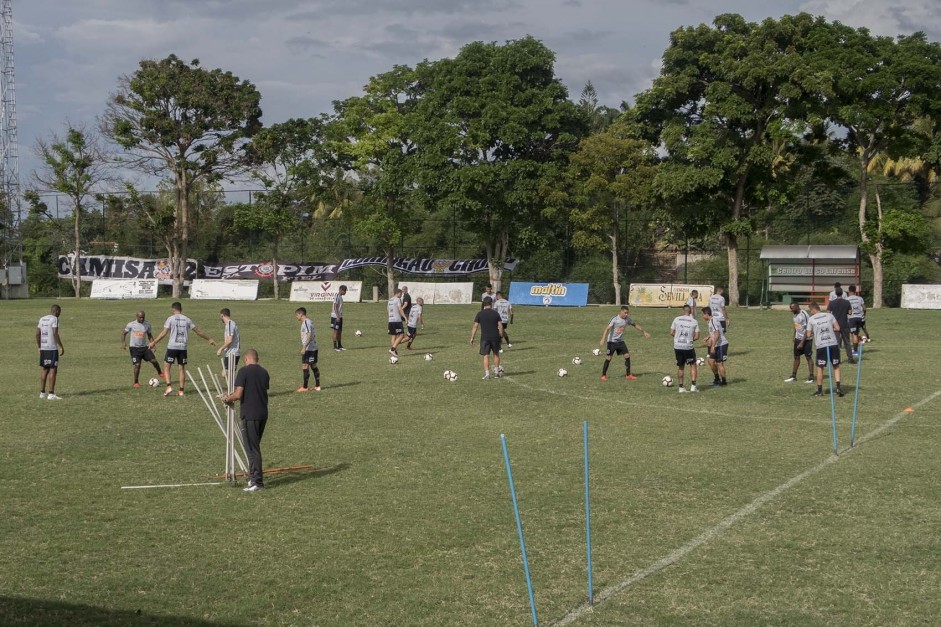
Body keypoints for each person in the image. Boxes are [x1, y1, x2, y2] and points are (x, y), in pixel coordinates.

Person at [221, 348, 269, 492]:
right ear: (257, 358)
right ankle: (254, 479)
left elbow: (238, 394)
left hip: (250, 415)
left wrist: (227, 398)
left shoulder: (243, 371)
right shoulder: (264, 372)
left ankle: (257, 482)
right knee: (254, 447)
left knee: (252, 449)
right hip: (262, 414)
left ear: (246, 359)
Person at [149, 302, 216, 397]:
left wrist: (154, 342)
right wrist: (209, 339)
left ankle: (168, 386)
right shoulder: (187, 319)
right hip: (182, 348)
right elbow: (198, 331)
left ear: (173, 309)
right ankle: (181, 390)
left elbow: (164, 333)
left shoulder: (170, 319)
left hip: (172, 347)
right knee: (181, 369)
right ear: (181, 309)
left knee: (167, 367)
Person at [598, 306, 650, 381]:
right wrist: (603, 338)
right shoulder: (615, 319)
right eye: (625, 313)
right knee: (608, 358)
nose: (626, 314)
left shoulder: (627, 319)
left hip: (620, 341)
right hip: (611, 342)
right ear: (621, 311)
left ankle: (628, 375)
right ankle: (603, 375)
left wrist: (644, 332)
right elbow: (607, 328)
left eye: (627, 313)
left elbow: (635, 325)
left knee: (627, 356)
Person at [807, 301, 844, 397]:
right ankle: (838, 389)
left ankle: (819, 391)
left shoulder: (811, 319)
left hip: (821, 345)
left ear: (813, 309)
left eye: (810, 311)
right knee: (836, 366)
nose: (811, 313)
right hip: (833, 343)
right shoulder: (829, 315)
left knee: (820, 368)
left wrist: (815, 332)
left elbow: (808, 334)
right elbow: (838, 328)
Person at [121, 310, 164, 387]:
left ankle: (160, 372)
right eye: (140, 317)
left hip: (144, 347)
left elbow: (149, 335)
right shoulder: (131, 324)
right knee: (137, 365)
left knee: (154, 361)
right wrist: (123, 342)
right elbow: (123, 333)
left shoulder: (147, 324)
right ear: (137, 316)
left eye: (143, 317)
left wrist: (153, 344)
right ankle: (136, 382)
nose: (142, 319)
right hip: (134, 348)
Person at [470, 297, 504, 379]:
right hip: (495, 337)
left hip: (485, 338)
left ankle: (487, 374)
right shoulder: (496, 313)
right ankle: (496, 373)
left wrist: (472, 338)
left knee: (486, 355)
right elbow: (500, 326)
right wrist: (501, 335)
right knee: (496, 354)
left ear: (484, 304)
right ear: (491, 303)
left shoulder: (480, 314)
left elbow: (475, 326)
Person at [669, 304, 700, 392]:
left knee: (681, 367)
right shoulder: (694, 321)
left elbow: (671, 332)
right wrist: (689, 339)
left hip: (678, 346)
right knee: (693, 364)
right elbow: (697, 336)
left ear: (683, 311)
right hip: (688, 346)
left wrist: (678, 338)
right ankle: (693, 386)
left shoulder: (676, 319)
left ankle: (681, 387)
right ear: (690, 311)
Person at [37, 304, 64, 400]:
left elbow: (37, 334)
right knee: (53, 369)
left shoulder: (42, 319)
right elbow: (55, 333)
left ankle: (42, 393)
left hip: (44, 348)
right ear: (56, 311)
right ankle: (51, 394)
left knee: (45, 369)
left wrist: (39, 346)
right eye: (59, 312)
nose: (59, 314)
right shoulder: (55, 319)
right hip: (52, 348)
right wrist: (61, 346)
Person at [785, 302, 814, 384]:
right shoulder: (794, 314)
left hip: (807, 339)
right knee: (796, 357)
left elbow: (808, 329)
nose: (791, 310)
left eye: (793, 308)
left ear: (797, 307)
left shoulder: (804, 314)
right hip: (798, 338)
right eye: (791, 308)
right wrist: (794, 336)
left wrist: (802, 342)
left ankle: (811, 376)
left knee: (808, 357)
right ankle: (793, 376)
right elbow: (796, 325)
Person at [701, 306, 728, 386]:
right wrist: (708, 337)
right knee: (711, 361)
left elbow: (717, 333)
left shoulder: (713, 321)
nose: (702, 316)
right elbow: (713, 332)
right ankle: (717, 379)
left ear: (706, 314)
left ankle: (724, 382)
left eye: (703, 314)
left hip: (721, 344)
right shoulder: (710, 321)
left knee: (719, 363)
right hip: (716, 344)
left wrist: (713, 346)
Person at [826, 288, 855, 364]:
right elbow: (850, 312)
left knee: (836, 343)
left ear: (835, 293)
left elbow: (828, 313)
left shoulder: (832, 303)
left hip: (835, 325)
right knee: (847, 342)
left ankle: (837, 359)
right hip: (845, 324)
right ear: (842, 293)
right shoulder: (847, 302)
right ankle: (850, 358)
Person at [295, 307, 320, 392]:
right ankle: (317, 386)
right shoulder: (309, 321)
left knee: (305, 366)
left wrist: (304, 347)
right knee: (313, 365)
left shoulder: (306, 322)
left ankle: (305, 387)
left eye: (297, 315)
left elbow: (309, 335)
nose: (296, 317)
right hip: (313, 347)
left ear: (301, 314)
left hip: (309, 348)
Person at [216, 308, 240, 379]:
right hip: (231, 353)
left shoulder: (230, 324)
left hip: (232, 353)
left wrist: (221, 349)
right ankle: (234, 388)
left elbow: (229, 340)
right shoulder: (230, 324)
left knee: (227, 374)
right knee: (227, 374)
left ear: (222, 315)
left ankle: (235, 388)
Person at [846, 284, 866, 355]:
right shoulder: (860, 298)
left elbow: (846, 310)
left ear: (849, 291)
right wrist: (863, 315)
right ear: (855, 291)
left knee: (854, 334)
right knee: (856, 333)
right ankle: (859, 343)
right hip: (859, 317)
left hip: (852, 318)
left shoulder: (847, 299)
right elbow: (864, 308)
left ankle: (855, 351)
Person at [387, 288, 407, 355]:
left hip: (390, 320)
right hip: (397, 320)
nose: (401, 296)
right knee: (401, 335)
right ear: (398, 293)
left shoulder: (390, 300)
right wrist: (405, 317)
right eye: (401, 294)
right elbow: (400, 309)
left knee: (394, 335)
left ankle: (394, 350)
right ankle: (392, 349)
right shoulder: (398, 299)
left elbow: (388, 310)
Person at [331, 285, 347, 352]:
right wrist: (337, 316)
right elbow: (335, 307)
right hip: (335, 316)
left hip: (340, 316)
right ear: (341, 290)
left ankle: (339, 345)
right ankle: (335, 346)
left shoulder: (341, 297)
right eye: (344, 291)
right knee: (336, 331)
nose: (345, 292)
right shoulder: (337, 297)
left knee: (340, 331)